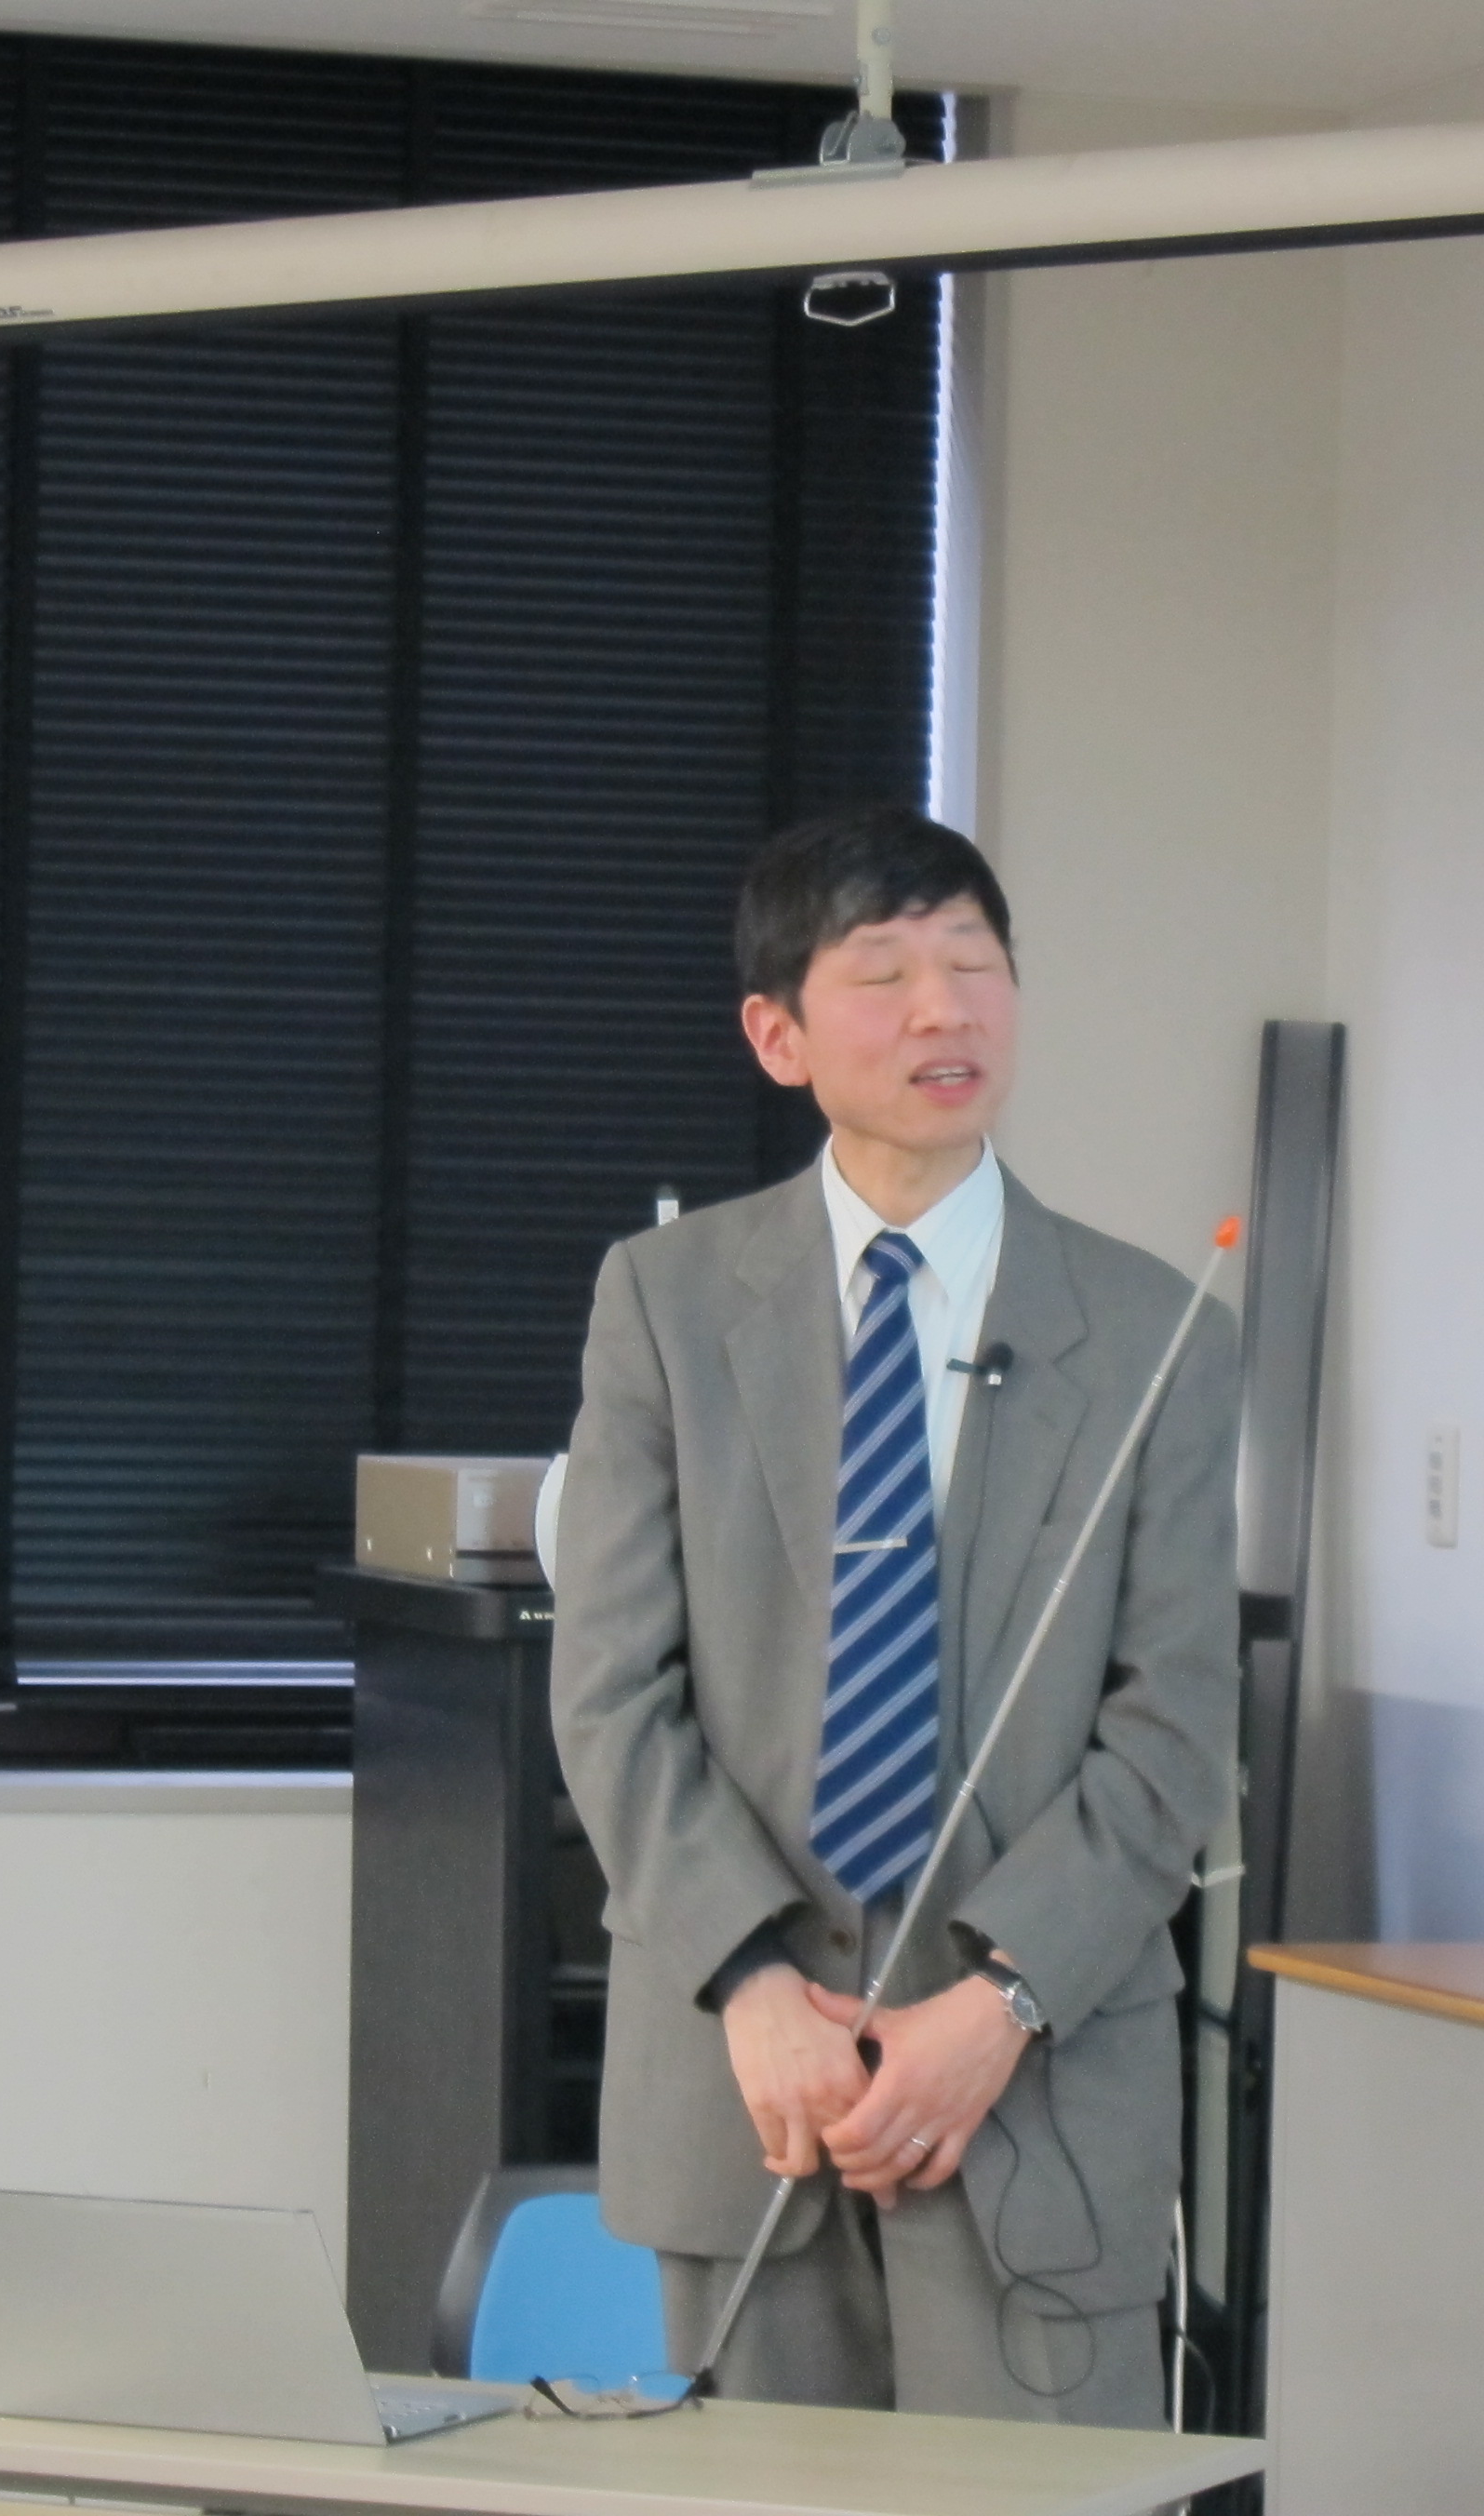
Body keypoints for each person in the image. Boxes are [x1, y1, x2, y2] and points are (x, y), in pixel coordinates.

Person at [549, 808, 1239, 2425]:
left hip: (1038, 2096)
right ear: (777, 1035)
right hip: (753, 2093)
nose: (945, 1010)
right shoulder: (663, 1303)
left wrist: (1001, 2004)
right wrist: (751, 1983)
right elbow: (611, 1690)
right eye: (885, 974)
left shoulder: (1156, 1328)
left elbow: (1175, 1721)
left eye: (974, 964)